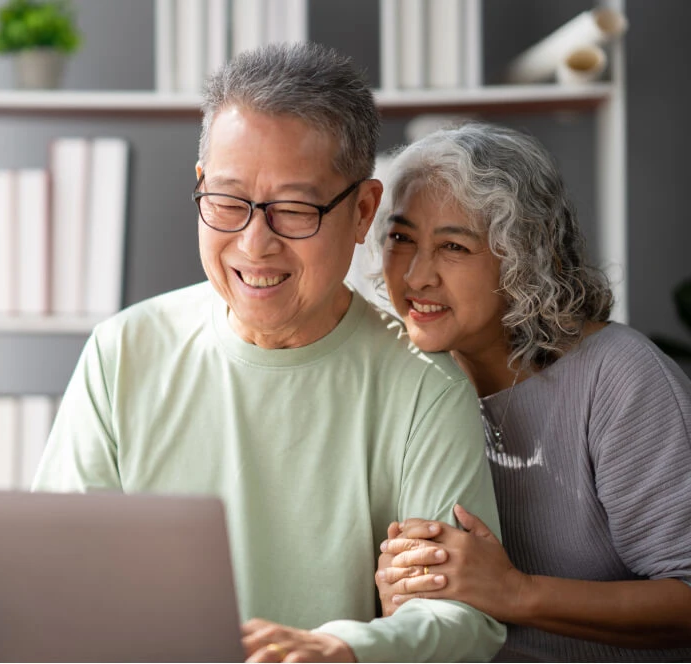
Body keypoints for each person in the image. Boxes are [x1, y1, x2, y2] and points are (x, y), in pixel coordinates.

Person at [31, 43, 505, 663]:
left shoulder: (423, 385)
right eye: (228, 203)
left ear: (362, 212)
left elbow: (462, 617)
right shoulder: (123, 351)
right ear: (200, 188)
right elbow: (55, 574)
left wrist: (343, 649)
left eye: (293, 209)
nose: (255, 245)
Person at [369, 122, 691, 660]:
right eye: (402, 239)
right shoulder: (406, 381)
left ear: (524, 259)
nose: (417, 276)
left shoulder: (619, 378)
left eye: (453, 246)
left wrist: (515, 593)